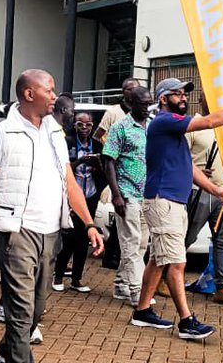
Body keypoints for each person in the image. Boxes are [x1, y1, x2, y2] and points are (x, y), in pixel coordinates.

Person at [0, 70, 103, 363]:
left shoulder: (56, 132)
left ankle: (4, 357)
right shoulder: (3, 133)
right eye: (49, 89)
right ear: (29, 93)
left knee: (37, 309)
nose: (55, 95)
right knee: (21, 309)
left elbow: (68, 180)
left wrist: (88, 223)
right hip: (16, 231)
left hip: (51, 231)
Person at [131, 79, 223, 340]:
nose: (183, 97)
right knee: (177, 262)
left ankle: (142, 310)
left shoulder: (174, 132)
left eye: (184, 94)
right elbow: (209, 122)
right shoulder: (164, 121)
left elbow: (189, 167)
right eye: (176, 94)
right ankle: (186, 321)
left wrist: (216, 190)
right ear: (162, 99)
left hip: (172, 202)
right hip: (164, 201)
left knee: (159, 259)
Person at [184, 99, 223, 308]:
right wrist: (197, 172)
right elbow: (181, 157)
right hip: (198, 191)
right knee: (186, 237)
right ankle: (164, 278)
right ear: (201, 100)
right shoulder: (193, 124)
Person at [102, 83, 153, 304]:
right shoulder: (120, 128)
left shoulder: (151, 126)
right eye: (143, 104)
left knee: (142, 243)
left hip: (147, 194)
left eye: (150, 103)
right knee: (131, 243)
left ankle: (122, 284)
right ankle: (137, 291)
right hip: (127, 192)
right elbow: (108, 161)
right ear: (130, 103)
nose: (148, 108)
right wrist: (116, 195)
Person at [54, 110, 105, 293]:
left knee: (85, 239)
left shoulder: (98, 145)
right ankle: (58, 275)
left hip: (90, 195)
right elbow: (62, 167)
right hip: (71, 196)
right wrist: (81, 160)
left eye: (88, 124)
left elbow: (105, 170)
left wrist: (96, 163)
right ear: (74, 125)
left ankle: (77, 279)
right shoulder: (67, 143)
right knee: (69, 238)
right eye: (80, 124)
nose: (84, 128)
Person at [95, 76, 140, 269]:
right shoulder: (113, 112)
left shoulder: (141, 114)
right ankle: (112, 254)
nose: (133, 92)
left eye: (136, 88)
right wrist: (110, 150)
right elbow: (98, 135)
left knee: (127, 216)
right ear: (124, 92)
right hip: (115, 169)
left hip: (134, 173)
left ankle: (117, 255)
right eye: (130, 89)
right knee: (120, 211)